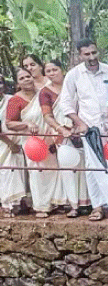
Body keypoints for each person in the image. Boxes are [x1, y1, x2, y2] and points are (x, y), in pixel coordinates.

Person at [60, 38, 108, 222]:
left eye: (94, 52)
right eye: (87, 54)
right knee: (94, 169)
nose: (92, 57)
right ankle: (98, 207)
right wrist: (79, 122)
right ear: (79, 55)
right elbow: (66, 104)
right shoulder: (73, 75)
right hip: (90, 129)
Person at [8, 67, 67, 217]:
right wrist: (27, 125)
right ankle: (41, 207)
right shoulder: (15, 99)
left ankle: (55, 203)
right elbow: (9, 124)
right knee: (37, 172)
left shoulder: (43, 93)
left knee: (54, 169)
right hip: (32, 142)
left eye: (28, 76)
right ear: (17, 83)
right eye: (21, 78)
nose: (26, 80)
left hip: (49, 137)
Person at [40, 59, 90, 217]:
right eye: (48, 71)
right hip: (62, 134)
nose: (52, 73)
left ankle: (86, 203)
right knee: (68, 169)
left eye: (55, 69)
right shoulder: (45, 92)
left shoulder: (74, 85)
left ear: (62, 70)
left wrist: (78, 126)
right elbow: (47, 116)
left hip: (80, 130)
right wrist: (61, 129)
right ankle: (73, 205)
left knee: (84, 167)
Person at [1, 68, 32, 217]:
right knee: (7, 172)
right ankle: (8, 204)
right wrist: (9, 143)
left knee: (18, 171)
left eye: (1, 83)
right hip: (6, 142)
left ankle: (20, 202)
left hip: (16, 139)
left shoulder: (9, 99)